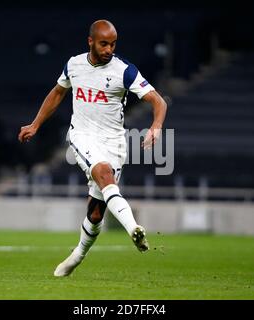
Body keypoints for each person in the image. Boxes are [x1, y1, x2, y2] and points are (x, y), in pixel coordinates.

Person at [18, 20, 167, 277]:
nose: (109, 49)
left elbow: (158, 101)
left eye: (113, 44)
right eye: (104, 43)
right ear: (91, 42)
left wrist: (156, 126)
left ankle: (77, 256)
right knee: (104, 173)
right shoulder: (74, 64)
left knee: (96, 212)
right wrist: (35, 124)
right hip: (82, 135)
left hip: (114, 142)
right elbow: (56, 93)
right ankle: (134, 229)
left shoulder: (124, 71)